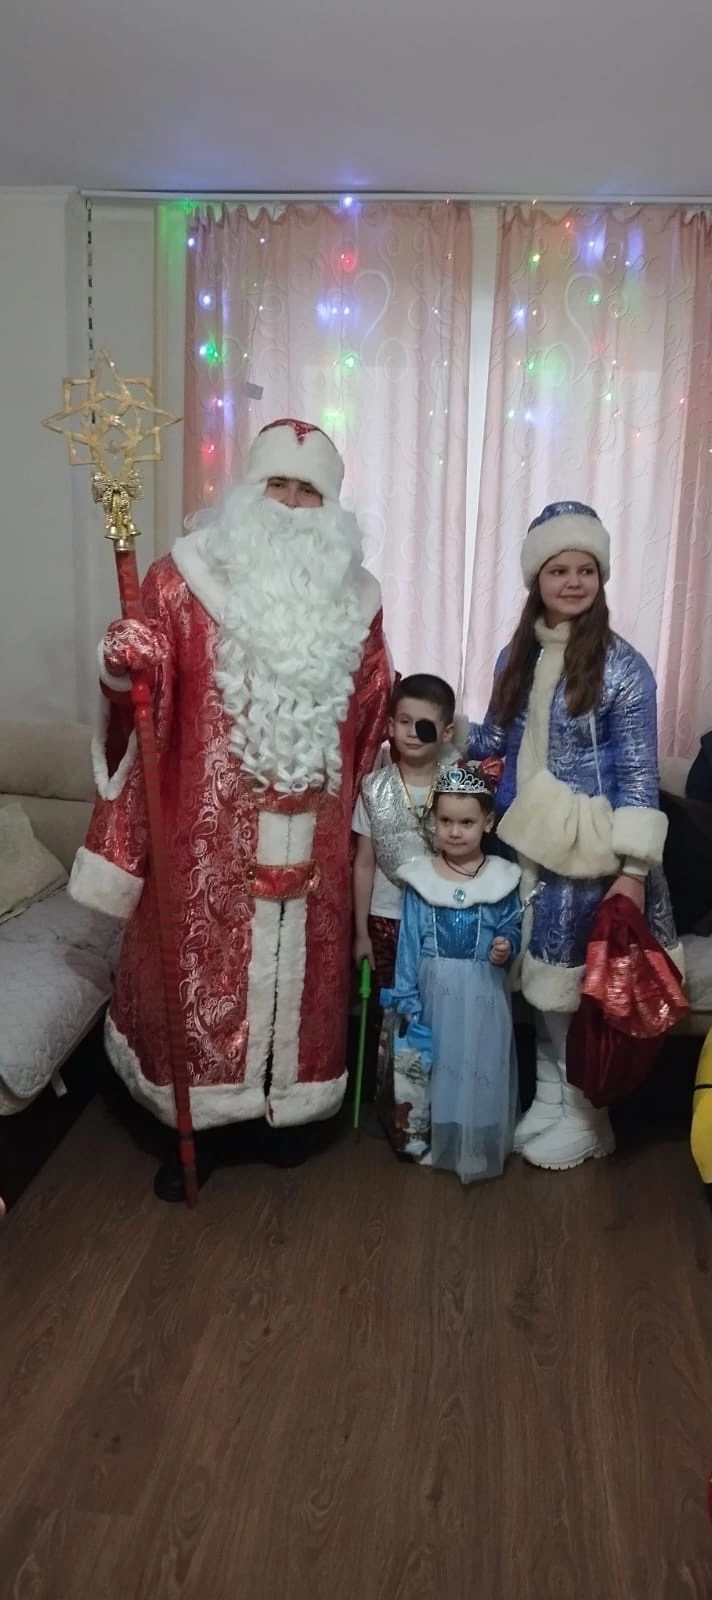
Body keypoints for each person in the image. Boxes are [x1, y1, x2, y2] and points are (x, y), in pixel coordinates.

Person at [69, 418, 392, 1200]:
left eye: (308, 490)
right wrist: (123, 667)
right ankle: (195, 1121)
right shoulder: (180, 581)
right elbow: (140, 703)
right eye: (277, 484)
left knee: (301, 979)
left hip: (314, 839)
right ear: (248, 489)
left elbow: (372, 709)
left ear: (331, 507)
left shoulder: (358, 601)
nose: (290, 503)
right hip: (206, 839)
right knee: (200, 974)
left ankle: (286, 1111)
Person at [467, 500, 683, 1171]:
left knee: (575, 986)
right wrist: (442, 748)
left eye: (584, 569)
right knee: (538, 982)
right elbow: (495, 738)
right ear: (537, 578)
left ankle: (591, 1116)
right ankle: (552, 1101)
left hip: (592, 859)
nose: (572, 581)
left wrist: (633, 871)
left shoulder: (624, 669)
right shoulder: (517, 656)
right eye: (558, 569)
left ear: (601, 577)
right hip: (525, 843)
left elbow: (640, 776)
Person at [389, 762, 522, 1183]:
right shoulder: (421, 879)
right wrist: (406, 995)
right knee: (439, 1067)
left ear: (488, 822)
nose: (455, 831)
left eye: (467, 822)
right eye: (445, 821)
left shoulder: (501, 878)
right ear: (434, 821)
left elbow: (510, 924)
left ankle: (476, 1143)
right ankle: (437, 1138)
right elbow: (409, 941)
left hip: (482, 992)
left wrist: (506, 945)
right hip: (435, 992)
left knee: (479, 1066)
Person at [352, 673, 457, 996]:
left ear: (446, 733)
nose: (413, 732)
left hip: (441, 916)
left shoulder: (457, 788)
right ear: (390, 726)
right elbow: (364, 863)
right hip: (385, 917)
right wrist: (361, 933)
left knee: (436, 1002)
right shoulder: (373, 789)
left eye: (424, 725)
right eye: (405, 722)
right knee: (389, 1003)